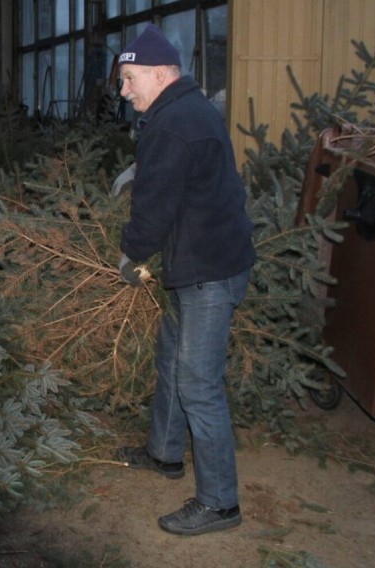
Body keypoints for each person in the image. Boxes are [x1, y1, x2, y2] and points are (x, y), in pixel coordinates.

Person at [114, 24, 256, 536]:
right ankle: (165, 454)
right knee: (172, 359)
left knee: (198, 384)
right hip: (201, 260)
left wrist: (129, 255)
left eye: (129, 79)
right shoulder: (185, 112)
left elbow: (152, 208)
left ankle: (220, 503)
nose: (123, 90)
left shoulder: (173, 124)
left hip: (207, 272)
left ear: (158, 74)